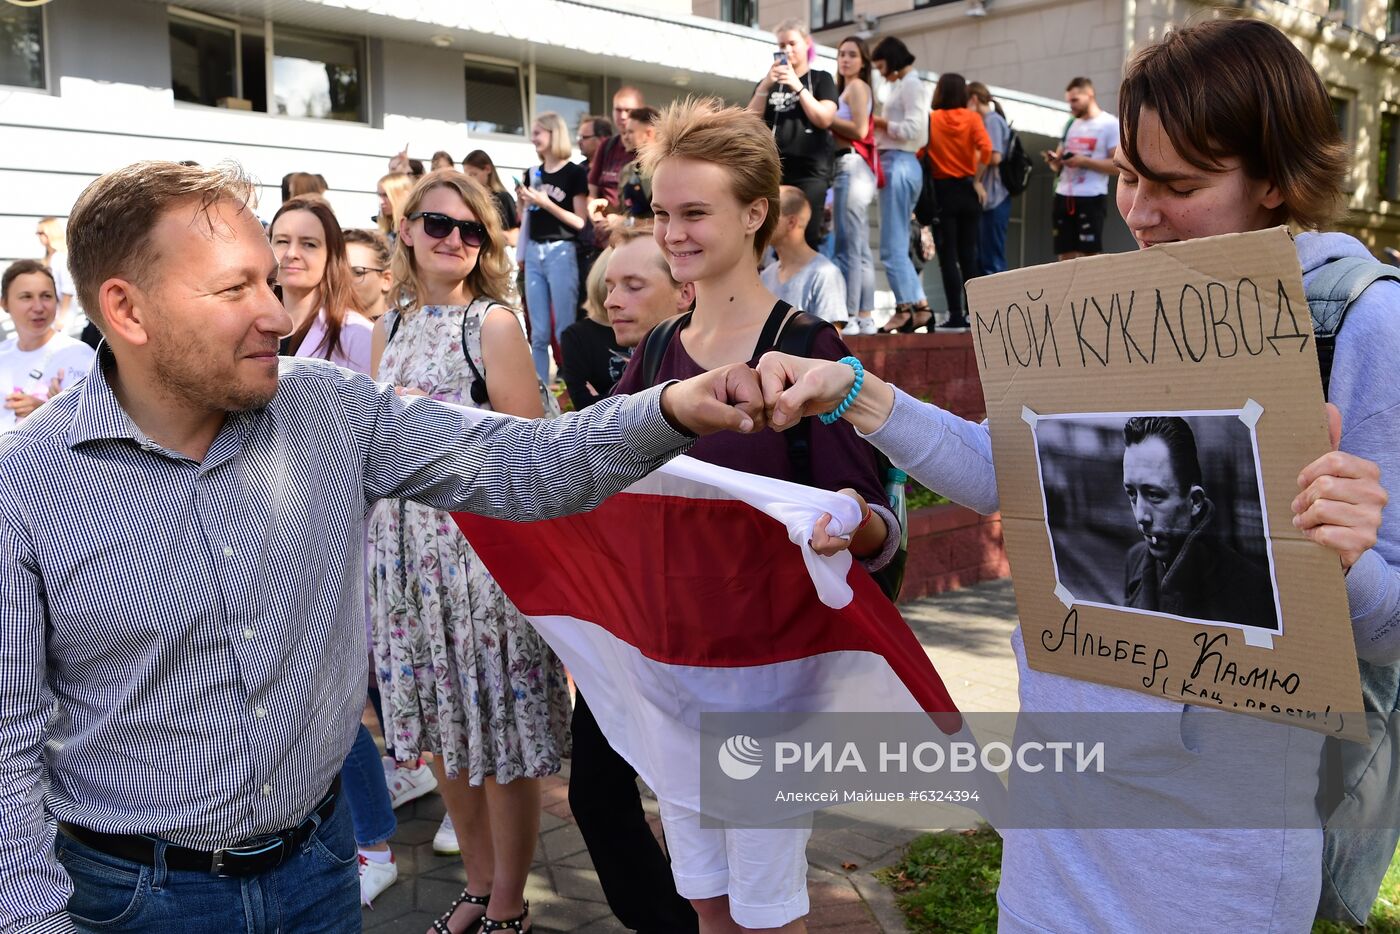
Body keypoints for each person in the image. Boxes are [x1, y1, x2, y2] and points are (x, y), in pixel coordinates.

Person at [0, 158, 763, 934]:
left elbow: (525, 462)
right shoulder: (24, 486)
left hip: (320, 871)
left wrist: (675, 407)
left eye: (270, 281)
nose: (276, 315)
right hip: (134, 901)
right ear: (127, 310)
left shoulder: (328, 408)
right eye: (235, 290)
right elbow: (6, 748)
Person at [756, 18, 1397, 931]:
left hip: (1216, 864)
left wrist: (1343, 557)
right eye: (1129, 175)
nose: (1139, 213)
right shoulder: (1112, 301)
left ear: (1275, 179)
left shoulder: (1361, 326)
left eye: (1180, 186)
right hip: (1054, 823)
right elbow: (1009, 472)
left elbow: (1387, 631)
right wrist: (853, 391)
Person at [612, 97, 899, 934]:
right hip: (671, 668)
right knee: (705, 901)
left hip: (768, 679)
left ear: (754, 213)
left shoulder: (810, 347)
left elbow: (875, 517)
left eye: (694, 213)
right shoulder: (656, 350)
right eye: (662, 213)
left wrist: (850, 518)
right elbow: (599, 472)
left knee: (767, 913)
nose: (673, 234)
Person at [366, 168, 577, 934]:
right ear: (406, 231)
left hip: (477, 558)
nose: (453, 239)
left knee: (499, 733)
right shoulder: (387, 327)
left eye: (470, 229)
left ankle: (511, 904)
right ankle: (479, 887)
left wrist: (435, 423)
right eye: (437, 224)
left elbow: (529, 457)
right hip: (403, 557)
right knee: (439, 725)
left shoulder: (492, 324)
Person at [567, 222, 702, 931]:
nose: (611, 300)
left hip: (697, 632)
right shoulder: (625, 374)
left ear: (684, 293)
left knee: (699, 808)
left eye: (631, 285)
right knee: (595, 791)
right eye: (608, 285)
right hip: (625, 622)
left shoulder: (728, 375)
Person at [1120, 416, 1275, 628]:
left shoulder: (1252, 590)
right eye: (1132, 494)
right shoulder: (1134, 560)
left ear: (1194, 501)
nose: (1140, 516)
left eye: (1154, 495)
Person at [747, 19, 838, 250]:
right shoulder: (768, 84)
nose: (786, 49)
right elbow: (748, 123)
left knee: (805, 237)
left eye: (792, 43)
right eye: (781, 45)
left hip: (811, 172)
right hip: (776, 170)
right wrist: (764, 87)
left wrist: (797, 86)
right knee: (772, 235)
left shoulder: (821, 78)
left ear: (806, 43)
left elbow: (824, 118)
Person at [517, 111, 590, 384]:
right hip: (533, 251)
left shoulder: (575, 173)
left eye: (538, 132)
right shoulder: (531, 173)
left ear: (553, 133)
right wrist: (523, 202)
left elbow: (580, 222)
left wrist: (546, 203)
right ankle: (540, 392)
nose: (533, 138)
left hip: (562, 251)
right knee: (538, 333)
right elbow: (524, 218)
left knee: (564, 328)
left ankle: (572, 388)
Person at [870, 36, 933, 333]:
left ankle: (906, 308)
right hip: (900, 163)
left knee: (892, 246)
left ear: (891, 60)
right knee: (895, 244)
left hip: (899, 161)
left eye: (882, 66)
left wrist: (880, 123)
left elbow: (914, 129)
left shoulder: (911, 85)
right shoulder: (905, 84)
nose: (881, 72)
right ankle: (918, 307)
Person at [270, 195, 374, 374]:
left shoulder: (358, 335)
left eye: (309, 244)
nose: (292, 253)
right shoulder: (253, 325)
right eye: (282, 241)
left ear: (331, 255)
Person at [921, 72, 991, 331]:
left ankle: (955, 315)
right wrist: (977, 179)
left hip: (943, 194)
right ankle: (975, 314)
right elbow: (986, 149)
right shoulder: (972, 118)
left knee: (948, 257)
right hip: (968, 190)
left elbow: (920, 151)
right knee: (969, 255)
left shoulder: (932, 119)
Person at [0, 259, 94, 432]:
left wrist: (50, 413)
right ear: (4, 303)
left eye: (46, 296)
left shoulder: (81, 356)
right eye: (26, 297)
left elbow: (95, 426)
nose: (38, 307)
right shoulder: (3, 353)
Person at [829, 36, 879, 336]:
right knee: (857, 245)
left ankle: (850, 315)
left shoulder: (857, 87)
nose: (845, 60)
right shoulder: (848, 88)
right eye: (841, 54)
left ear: (863, 62)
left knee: (850, 244)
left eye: (852, 54)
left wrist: (826, 118)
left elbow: (859, 129)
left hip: (852, 164)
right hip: (850, 166)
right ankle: (863, 315)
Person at [1044, 76, 1120, 261]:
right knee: (1064, 253)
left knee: (1089, 255)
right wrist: (1054, 160)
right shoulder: (1071, 124)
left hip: (1091, 196)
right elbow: (1058, 163)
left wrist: (1084, 161)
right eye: (1069, 101)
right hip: (1063, 194)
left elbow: (1117, 166)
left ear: (1090, 95)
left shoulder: (1109, 124)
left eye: (1075, 100)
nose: (1071, 106)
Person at [760, 186, 848, 324]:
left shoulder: (825, 275)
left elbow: (830, 336)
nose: (761, 221)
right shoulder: (766, 275)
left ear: (791, 222)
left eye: (769, 216)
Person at [559, 247, 625, 411]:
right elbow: (586, 407)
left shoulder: (656, 329)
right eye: (611, 287)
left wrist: (604, 399)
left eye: (635, 286)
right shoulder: (577, 337)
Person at [967, 82, 1011, 276]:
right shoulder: (989, 120)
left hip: (995, 197)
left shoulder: (992, 121)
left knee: (991, 260)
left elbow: (994, 156)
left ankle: (997, 296)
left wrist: (971, 158)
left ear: (974, 99)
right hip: (989, 199)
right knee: (982, 258)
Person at [588, 87, 645, 216]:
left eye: (628, 110)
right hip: (604, 224)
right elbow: (592, 192)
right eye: (618, 110)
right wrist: (597, 218)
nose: (623, 116)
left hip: (637, 224)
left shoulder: (652, 150)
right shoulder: (607, 146)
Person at [35, 216, 84, 337]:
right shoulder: (48, 257)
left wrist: (62, 318)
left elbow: (67, 290)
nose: (39, 236)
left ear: (51, 233)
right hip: (51, 312)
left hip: (62, 314)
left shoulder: (61, 257)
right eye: (37, 233)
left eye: (41, 233)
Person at [463, 150, 521, 249]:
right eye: (467, 175)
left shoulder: (503, 198)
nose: (470, 180)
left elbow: (515, 234)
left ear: (488, 169)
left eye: (474, 174)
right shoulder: (469, 199)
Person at [343, 228, 395, 321]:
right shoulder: (324, 325)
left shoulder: (403, 327)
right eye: (338, 273)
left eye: (357, 273)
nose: (344, 281)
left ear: (386, 280)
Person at [376, 172, 415, 244]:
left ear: (403, 195)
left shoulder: (413, 229)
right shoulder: (387, 227)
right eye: (379, 195)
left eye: (386, 195)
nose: (381, 202)